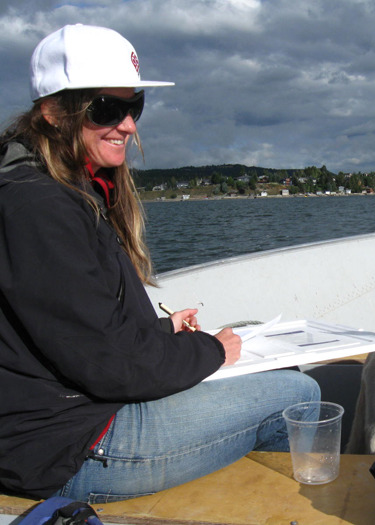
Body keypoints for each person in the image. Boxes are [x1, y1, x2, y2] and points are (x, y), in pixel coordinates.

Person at [0, 24, 320, 503]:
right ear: (51, 112)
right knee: (297, 395)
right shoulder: (39, 205)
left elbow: (79, 331)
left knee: (280, 378)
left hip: (76, 418)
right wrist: (212, 351)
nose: (128, 125)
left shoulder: (66, 190)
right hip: (66, 447)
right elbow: (109, 367)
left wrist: (160, 333)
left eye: (134, 107)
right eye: (107, 109)